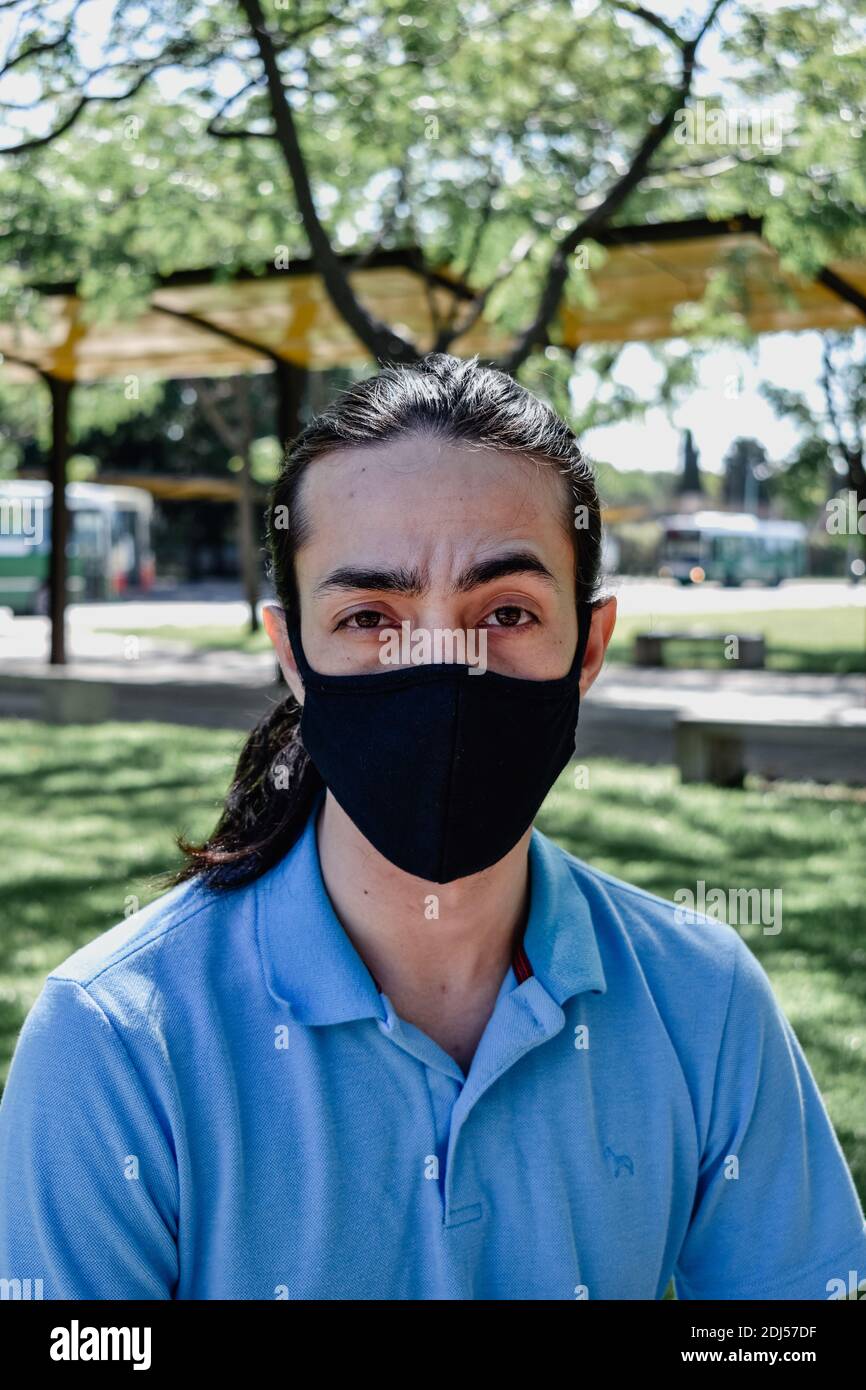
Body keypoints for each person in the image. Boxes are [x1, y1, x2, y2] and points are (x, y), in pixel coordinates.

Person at [1, 353, 864, 1300]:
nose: (445, 668)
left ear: (590, 646)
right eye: (371, 615)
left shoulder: (704, 999)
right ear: (293, 653)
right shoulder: (116, 1043)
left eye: (505, 611)